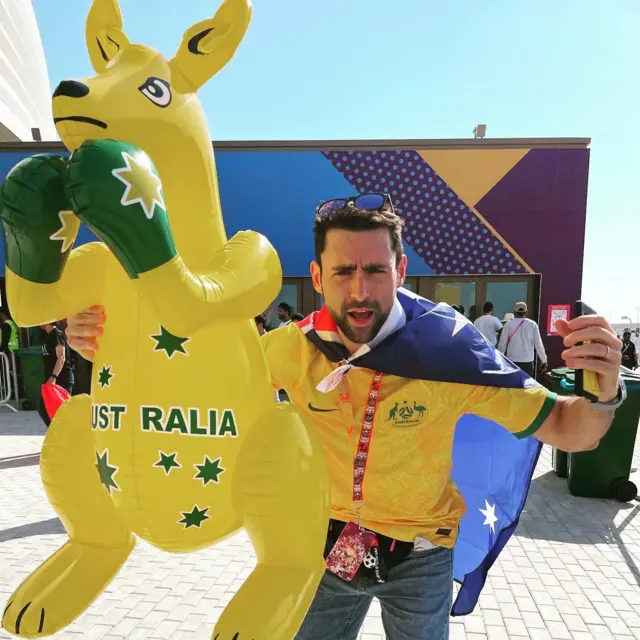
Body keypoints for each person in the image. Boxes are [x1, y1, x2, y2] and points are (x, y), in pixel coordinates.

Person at [65, 193, 624, 640]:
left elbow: (571, 431)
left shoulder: (452, 352)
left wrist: (605, 392)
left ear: (400, 270)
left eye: (376, 271)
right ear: (316, 274)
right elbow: (195, 388)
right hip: (324, 550)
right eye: (343, 272)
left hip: (422, 558)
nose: (360, 290)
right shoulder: (291, 347)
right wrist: (113, 347)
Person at [497, 302, 548, 377]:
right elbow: (538, 344)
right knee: (527, 386)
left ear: (514, 312)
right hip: (528, 362)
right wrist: (544, 360)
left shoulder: (508, 324)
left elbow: (502, 344)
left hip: (512, 361)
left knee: (513, 385)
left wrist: (499, 359)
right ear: (526, 312)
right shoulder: (532, 324)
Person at [39, 322, 75, 426]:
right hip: (51, 379)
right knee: (43, 407)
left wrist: (53, 376)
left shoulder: (57, 335)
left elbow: (61, 358)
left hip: (61, 378)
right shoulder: (47, 336)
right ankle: (56, 431)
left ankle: (65, 432)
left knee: (62, 409)